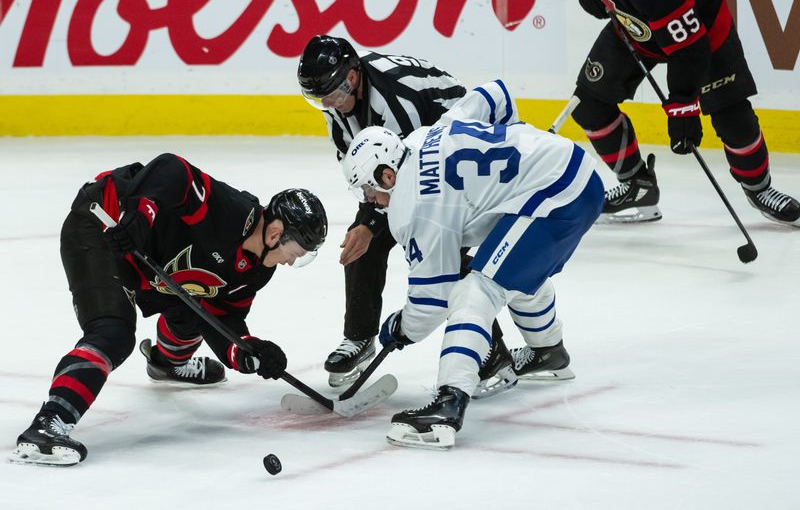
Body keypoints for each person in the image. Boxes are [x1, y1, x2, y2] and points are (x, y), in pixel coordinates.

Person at [10, 153, 327, 466]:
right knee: (113, 332)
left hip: (152, 260)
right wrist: (138, 217)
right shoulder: (230, 213)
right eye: (295, 252)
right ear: (275, 233)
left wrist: (248, 352)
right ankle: (47, 424)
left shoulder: (258, 269)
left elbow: (220, 317)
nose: (292, 261)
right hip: (105, 227)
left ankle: (167, 364)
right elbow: (173, 168)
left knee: (193, 308)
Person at [340, 79, 604, 449]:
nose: (372, 200)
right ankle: (548, 351)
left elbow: (433, 300)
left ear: (388, 175)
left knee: (476, 290)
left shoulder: (413, 206)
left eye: (370, 190)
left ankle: (448, 406)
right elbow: (494, 94)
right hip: (567, 173)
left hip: (559, 196)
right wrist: (516, 138)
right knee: (508, 268)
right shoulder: (425, 135)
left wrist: (399, 329)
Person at [564, 0, 800, 226]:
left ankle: (759, 188)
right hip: (635, 24)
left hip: (700, 30)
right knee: (590, 104)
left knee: (730, 114)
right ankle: (637, 186)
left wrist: (683, 105)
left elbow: (688, 50)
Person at [297, 34, 468, 388]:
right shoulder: (337, 105)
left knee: (441, 248)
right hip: (414, 163)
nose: (328, 104)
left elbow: (407, 178)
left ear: (353, 77)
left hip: (458, 157)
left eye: (331, 94)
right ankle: (359, 337)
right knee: (362, 239)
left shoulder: (395, 98)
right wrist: (368, 225)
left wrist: (374, 224)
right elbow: (371, 179)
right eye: (319, 100)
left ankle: (488, 350)